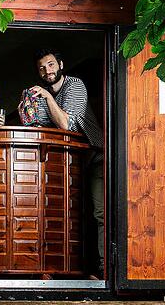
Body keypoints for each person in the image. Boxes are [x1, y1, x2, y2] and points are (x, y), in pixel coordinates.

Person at [19, 48, 105, 275]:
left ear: (60, 65)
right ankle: (67, 269)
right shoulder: (43, 92)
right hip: (68, 163)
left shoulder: (74, 85)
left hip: (94, 157)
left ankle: (105, 270)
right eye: (41, 68)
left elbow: (66, 125)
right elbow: (35, 126)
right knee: (66, 213)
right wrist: (24, 108)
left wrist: (47, 98)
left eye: (50, 65)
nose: (46, 71)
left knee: (99, 213)